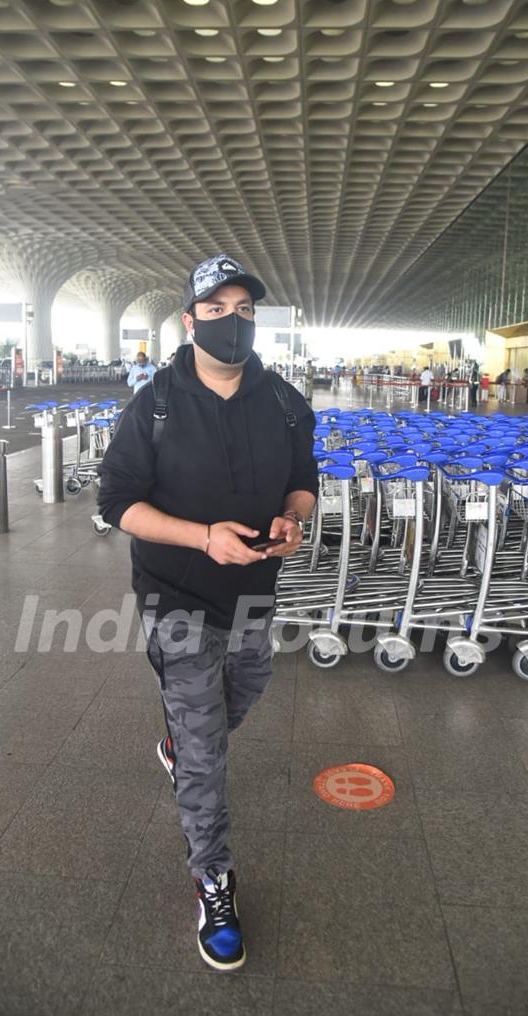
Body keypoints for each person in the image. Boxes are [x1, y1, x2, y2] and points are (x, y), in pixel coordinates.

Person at [97, 252, 318, 973]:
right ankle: (213, 881)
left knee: (246, 686)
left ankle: (180, 742)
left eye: (244, 311)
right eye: (216, 311)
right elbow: (115, 502)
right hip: (176, 597)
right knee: (206, 754)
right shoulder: (155, 404)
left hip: (255, 589)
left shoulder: (285, 402)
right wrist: (202, 537)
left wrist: (293, 518)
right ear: (190, 321)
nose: (232, 323)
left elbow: (302, 480)